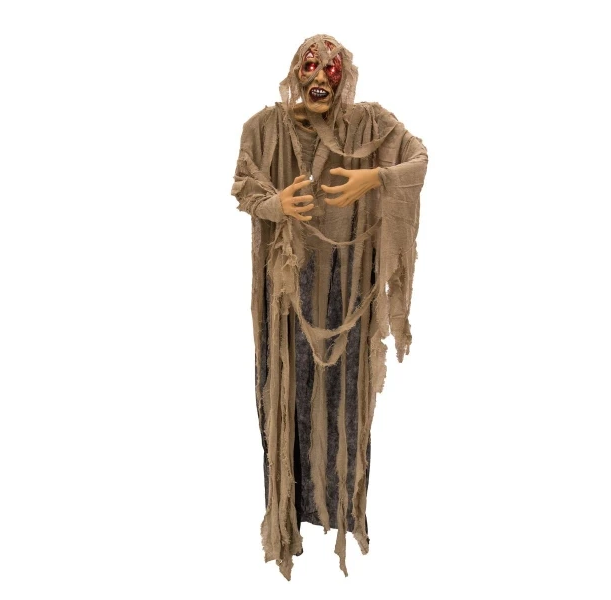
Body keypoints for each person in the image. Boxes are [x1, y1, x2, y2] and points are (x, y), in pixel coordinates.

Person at [231, 34, 427, 580]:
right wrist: (274, 204)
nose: (321, 78)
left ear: (346, 77)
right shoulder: (262, 127)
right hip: (285, 290)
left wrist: (376, 177)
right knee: (284, 394)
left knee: (344, 403)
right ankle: (288, 517)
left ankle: (340, 512)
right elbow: (243, 185)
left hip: (348, 289)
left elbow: (418, 159)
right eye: (311, 66)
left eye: (332, 69)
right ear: (295, 71)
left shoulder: (371, 125)